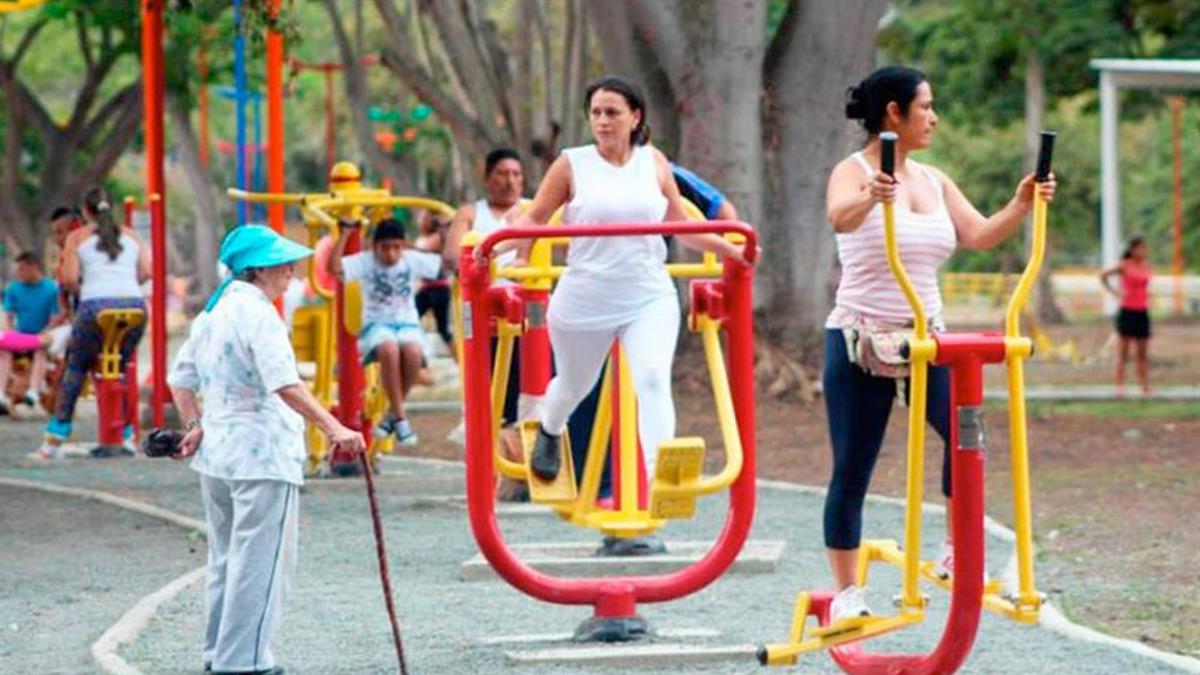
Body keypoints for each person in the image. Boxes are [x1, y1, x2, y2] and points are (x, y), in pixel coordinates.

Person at [821, 66, 1055, 622]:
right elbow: (839, 218)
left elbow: (979, 235)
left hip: (929, 338)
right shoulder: (852, 172)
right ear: (894, 113)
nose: (934, 117)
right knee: (854, 464)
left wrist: (1022, 204)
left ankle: (955, 552)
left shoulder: (934, 180)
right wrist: (870, 197)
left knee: (966, 438)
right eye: (925, 106)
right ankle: (847, 592)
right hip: (862, 336)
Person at [493, 75, 753, 497]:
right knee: (574, 385)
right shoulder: (572, 163)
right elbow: (536, 217)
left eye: (612, 112)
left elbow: (680, 223)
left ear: (635, 117)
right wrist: (497, 248)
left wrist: (730, 248)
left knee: (652, 378)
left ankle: (657, 477)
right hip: (586, 295)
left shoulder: (654, 162)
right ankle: (550, 429)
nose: (602, 121)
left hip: (647, 293)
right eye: (595, 113)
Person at [168, 224, 365, 675]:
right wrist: (335, 427)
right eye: (282, 263)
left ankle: (218, 654)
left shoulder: (211, 316)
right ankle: (246, 661)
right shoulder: (258, 314)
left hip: (218, 455)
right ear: (258, 270)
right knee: (260, 563)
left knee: (225, 560)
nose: (291, 271)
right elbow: (285, 384)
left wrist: (194, 425)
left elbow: (180, 381)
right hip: (262, 453)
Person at [39, 187, 151, 459]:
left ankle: (54, 438)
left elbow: (68, 278)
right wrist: (123, 288)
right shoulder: (133, 236)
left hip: (94, 308)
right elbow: (146, 272)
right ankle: (127, 435)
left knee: (76, 366)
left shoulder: (77, 237)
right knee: (121, 367)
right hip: (134, 308)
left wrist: (89, 291)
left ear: (86, 211)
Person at [328, 218, 442, 446]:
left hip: (407, 324)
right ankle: (400, 418)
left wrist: (442, 231)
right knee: (389, 348)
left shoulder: (410, 259)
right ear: (374, 246)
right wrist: (345, 236)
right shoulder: (366, 261)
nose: (391, 254)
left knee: (413, 351)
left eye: (396, 247)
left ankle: (393, 414)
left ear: (403, 246)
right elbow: (334, 268)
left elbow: (444, 263)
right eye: (385, 248)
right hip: (376, 325)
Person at [445, 148, 529, 442]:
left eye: (516, 174)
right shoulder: (471, 213)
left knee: (526, 372)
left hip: (524, 305)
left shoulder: (532, 210)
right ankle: (483, 425)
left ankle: (521, 427)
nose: (510, 181)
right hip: (484, 306)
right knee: (486, 373)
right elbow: (453, 256)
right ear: (488, 177)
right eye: (503, 174)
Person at [0, 252, 63, 413]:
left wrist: (43, 333)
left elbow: (56, 317)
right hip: (20, 335)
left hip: (43, 335)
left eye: (22, 269)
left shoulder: (52, 289)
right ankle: (0, 393)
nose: (18, 272)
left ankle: (33, 391)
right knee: (4, 351)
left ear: (34, 267)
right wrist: (10, 332)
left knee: (40, 350)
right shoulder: (13, 289)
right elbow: (7, 315)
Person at [1100, 236, 1152, 395]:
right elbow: (1103, 275)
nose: (1143, 251)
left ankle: (1144, 385)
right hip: (1127, 311)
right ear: (1133, 250)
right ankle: (1120, 385)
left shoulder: (1147, 265)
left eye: (1145, 248)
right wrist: (1116, 292)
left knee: (1142, 353)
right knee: (1124, 352)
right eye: (1140, 248)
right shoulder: (1124, 265)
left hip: (1142, 311)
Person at [413, 211, 454, 357]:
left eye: (423, 218)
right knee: (410, 322)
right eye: (420, 218)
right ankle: (417, 358)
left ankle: (461, 360)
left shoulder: (437, 237)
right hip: (425, 288)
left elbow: (423, 251)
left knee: (443, 330)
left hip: (438, 287)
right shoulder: (421, 238)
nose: (420, 221)